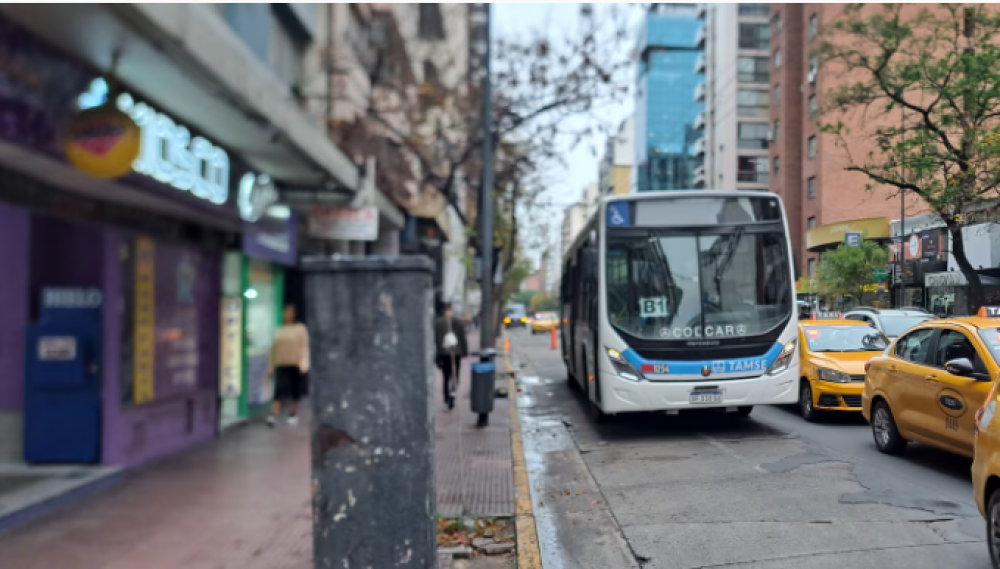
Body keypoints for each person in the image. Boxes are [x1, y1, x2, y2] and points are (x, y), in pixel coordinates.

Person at [267, 304, 310, 427]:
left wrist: (304, 363)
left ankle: (293, 413)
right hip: (282, 364)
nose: (287, 315)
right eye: (285, 313)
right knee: (278, 389)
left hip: (295, 364)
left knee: (295, 389)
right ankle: (273, 414)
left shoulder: (300, 329)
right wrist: (270, 367)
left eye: (290, 313)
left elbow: (304, 346)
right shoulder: (279, 330)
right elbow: (273, 349)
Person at [434, 304, 468, 410]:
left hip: (444, 353)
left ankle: (447, 396)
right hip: (454, 353)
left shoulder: (438, 323)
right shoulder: (457, 322)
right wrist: (465, 351)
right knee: (454, 375)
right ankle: (452, 394)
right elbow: (463, 338)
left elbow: (435, 340)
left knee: (446, 376)